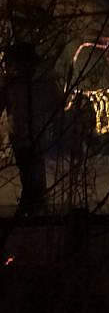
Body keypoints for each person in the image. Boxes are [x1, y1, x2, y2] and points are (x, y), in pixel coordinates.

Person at [1, 42, 61, 214]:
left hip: (36, 132)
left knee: (32, 169)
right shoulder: (14, 84)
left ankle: (33, 204)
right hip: (22, 133)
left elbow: (55, 103)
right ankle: (34, 203)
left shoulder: (39, 82)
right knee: (28, 169)